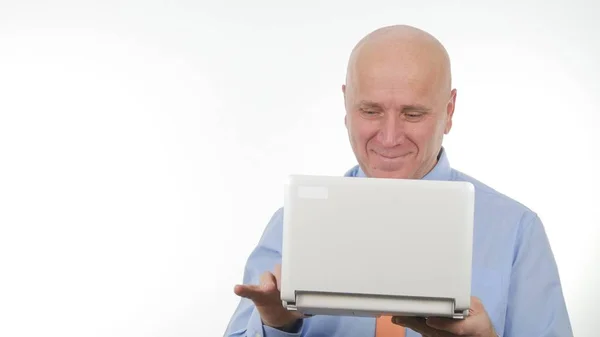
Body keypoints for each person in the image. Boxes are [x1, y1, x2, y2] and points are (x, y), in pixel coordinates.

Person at [223, 24, 573, 337]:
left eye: (413, 114)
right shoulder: (291, 225)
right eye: (370, 111)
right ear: (345, 105)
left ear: (449, 112)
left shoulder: (517, 233)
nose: (389, 138)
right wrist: (275, 324)